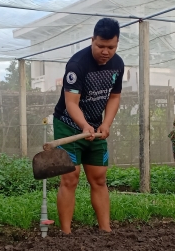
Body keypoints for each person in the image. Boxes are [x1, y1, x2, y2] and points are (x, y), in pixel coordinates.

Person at [53, 18, 124, 234]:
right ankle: (66, 233)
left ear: (117, 43)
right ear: (92, 40)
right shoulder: (77, 65)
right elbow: (71, 103)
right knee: (70, 178)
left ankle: (106, 230)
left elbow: (114, 97)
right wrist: (84, 126)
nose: (105, 52)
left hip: (96, 127)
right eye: (100, 46)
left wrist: (106, 123)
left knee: (99, 178)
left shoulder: (118, 64)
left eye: (111, 47)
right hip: (68, 125)